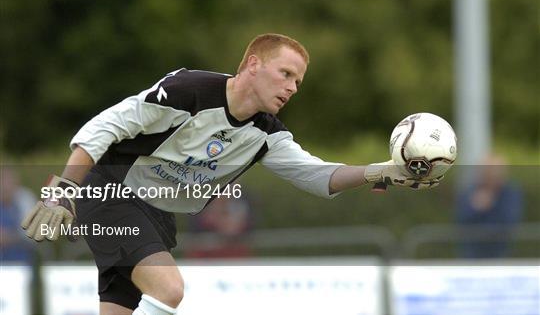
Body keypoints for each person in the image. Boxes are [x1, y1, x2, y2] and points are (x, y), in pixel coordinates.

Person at [21, 33, 441, 315]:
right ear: (253, 65)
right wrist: (64, 188)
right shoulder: (188, 90)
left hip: (157, 215)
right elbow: (107, 126)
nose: (293, 87)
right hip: (109, 192)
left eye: (299, 81)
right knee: (169, 290)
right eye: (286, 74)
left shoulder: (267, 135)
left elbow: (318, 176)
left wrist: (382, 172)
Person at [456, 154, 523, 258]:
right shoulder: (469, 191)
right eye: (489, 170)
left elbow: (510, 221)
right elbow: (461, 220)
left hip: (501, 252)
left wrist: (490, 205)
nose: (493, 174)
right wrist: (475, 209)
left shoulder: (510, 193)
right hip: (472, 253)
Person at [1, 167, 36, 264]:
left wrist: (9, 238)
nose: (5, 187)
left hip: (20, 261)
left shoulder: (25, 200)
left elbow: (32, 234)